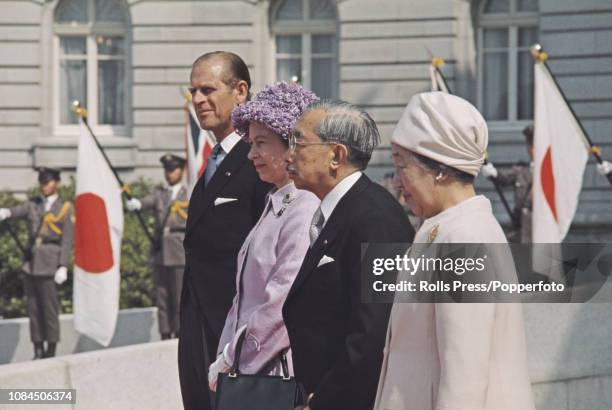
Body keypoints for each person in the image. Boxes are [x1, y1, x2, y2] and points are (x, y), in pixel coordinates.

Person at [375, 91, 535, 410]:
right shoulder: (444, 229)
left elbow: (465, 371)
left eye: (401, 166)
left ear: (440, 170)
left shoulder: (464, 237)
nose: (397, 183)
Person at [282, 100, 415, 409]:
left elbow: (372, 335)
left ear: (336, 155)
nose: (289, 154)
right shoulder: (341, 209)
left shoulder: (376, 218)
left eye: (298, 141)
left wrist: (323, 400)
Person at [207, 82, 320, 391]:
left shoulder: (304, 206)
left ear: (291, 147)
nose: (251, 154)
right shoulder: (276, 200)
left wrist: (233, 359)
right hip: (251, 371)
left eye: (261, 143)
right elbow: (243, 298)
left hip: (272, 376)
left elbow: (280, 304)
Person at [178, 51, 271, 410]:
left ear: (241, 91)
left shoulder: (256, 160)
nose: (198, 100)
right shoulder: (214, 160)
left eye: (208, 90)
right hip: (199, 326)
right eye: (193, 91)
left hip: (237, 334)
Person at [0, 167, 73, 359]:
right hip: (32, 264)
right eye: (42, 182)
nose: (44, 186)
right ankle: (38, 348)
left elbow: (67, 240)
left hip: (50, 263)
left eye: (47, 182)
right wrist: (6, 212)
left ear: (56, 183)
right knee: (33, 309)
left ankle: (51, 349)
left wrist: (63, 265)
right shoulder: (33, 204)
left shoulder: (65, 207)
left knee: (49, 309)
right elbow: (18, 211)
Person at [125, 154, 189, 340]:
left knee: (178, 297)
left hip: (178, 251)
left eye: (173, 170)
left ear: (181, 171)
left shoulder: (188, 193)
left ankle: (179, 332)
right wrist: (135, 203)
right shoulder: (160, 194)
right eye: (167, 170)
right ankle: (165, 332)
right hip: (161, 252)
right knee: (162, 296)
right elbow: (146, 202)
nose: (170, 174)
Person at [481, 125, 534, 243]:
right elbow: (503, 178)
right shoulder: (522, 170)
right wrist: (490, 171)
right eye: (530, 145)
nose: (532, 149)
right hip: (520, 232)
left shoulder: (550, 173)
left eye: (534, 145)